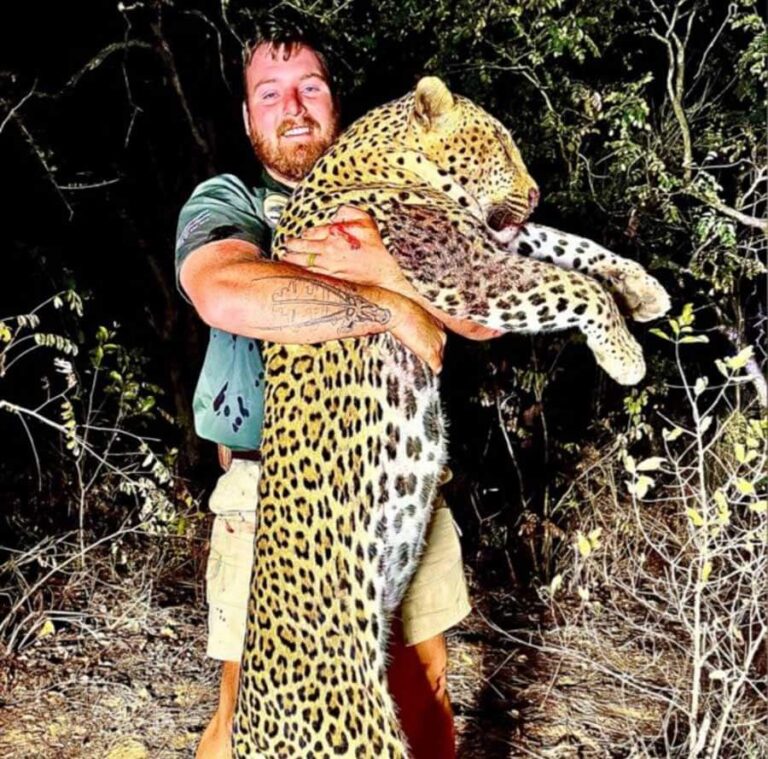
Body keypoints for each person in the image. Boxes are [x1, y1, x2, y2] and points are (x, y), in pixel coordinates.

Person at [176, 36, 486, 758]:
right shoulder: (234, 200)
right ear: (247, 117)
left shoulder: (398, 202)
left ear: (336, 101)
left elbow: (481, 317)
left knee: (422, 691)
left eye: (310, 87)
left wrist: (382, 260)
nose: (292, 108)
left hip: (397, 482)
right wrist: (387, 305)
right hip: (275, 493)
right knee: (247, 711)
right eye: (270, 93)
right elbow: (224, 288)